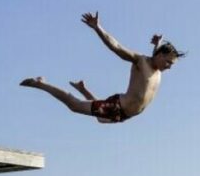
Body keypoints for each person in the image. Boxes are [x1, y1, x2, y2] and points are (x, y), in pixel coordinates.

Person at [20, 11, 184, 123]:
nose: (170, 67)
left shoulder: (156, 66)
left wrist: (158, 44)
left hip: (125, 115)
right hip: (118, 107)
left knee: (98, 118)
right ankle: (41, 83)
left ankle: (82, 88)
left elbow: (155, 60)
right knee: (75, 106)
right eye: (169, 62)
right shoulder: (140, 61)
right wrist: (98, 27)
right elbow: (116, 47)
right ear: (161, 56)